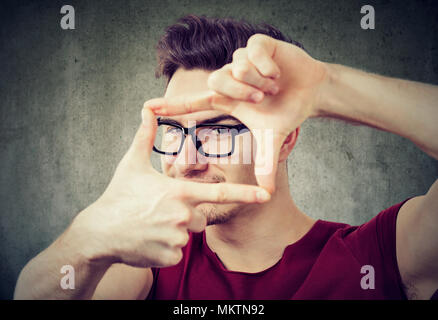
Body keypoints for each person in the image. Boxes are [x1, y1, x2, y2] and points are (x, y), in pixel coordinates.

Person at [14, 15, 438, 300]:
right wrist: (91, 239)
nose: (185, 160)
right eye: (175, 131)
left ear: (286, 139)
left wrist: (328, 87)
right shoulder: (149, 267)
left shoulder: (379, 255)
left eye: (216, 132)